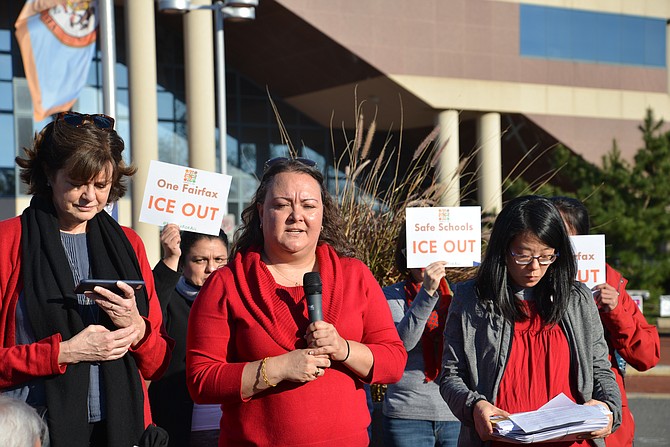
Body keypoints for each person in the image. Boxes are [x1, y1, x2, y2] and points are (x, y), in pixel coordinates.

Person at [186, 157, 408, 446]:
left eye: (308, 205)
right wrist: (277, 369)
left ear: (322, 214)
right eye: (281, 205)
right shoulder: (226, 284)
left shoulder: (355, 276)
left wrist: (343, 348)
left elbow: (393, 362)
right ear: (261, 212)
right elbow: (201, 380)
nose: (296, 216)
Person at [0, 112, 173, 447]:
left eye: (101, 185)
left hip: (121, 428)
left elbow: (157, 360)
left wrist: (138, 329)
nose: (89, 197)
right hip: (31, 431)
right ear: (49, 174)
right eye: (77, 183)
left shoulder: (129, 243)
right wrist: (64, 352)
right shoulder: (8, 241)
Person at [440, 195, 622, 447]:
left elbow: (600, 368)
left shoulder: (577, 298)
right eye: (523, 256)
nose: (535, 267)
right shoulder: (471, 299)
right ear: (503, 250)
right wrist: (475, 407)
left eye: (546, 256)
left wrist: (608, 407)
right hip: (500, 441)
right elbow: (451, 375)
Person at [551, 196, 660, 447]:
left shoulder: (607, 279)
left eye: (562, 232)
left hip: (604, 419)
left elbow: (647, 355)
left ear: (582, 240)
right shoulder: (530, 274)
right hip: (551, 412)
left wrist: (616, 310)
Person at [150, 224, 229, 447]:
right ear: (183, 263)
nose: (211, 269)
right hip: (176, 424)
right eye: (200, 260)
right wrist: (169, 258)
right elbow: (148, 317)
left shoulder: (238, 301)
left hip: (228, 425)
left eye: (219, 260)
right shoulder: (169, 299)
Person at [382, 225, 460, 447]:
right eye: (415, 252)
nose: (424, 262)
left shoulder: (461, 294)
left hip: (454, 412)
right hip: (407, 414)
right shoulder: (390, 296)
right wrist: (426, 294)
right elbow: (402, 345)